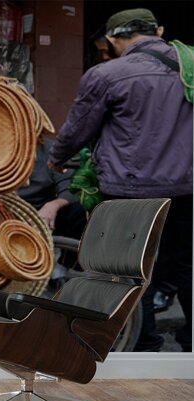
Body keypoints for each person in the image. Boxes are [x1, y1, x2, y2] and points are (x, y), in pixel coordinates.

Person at [47, 9, 192, 352]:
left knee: (128, 273)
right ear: (158, 30)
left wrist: (56, 160)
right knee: (186, 269)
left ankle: (145, 347)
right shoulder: (189, 67)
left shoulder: (109, 74)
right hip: (186, 190)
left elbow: (77, 129)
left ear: (112, 39)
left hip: (130, 193)